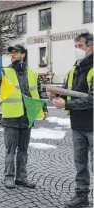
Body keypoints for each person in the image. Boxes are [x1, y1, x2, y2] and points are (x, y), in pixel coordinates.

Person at [0, 44, 48, 189]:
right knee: (10, 150)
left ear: (23, 55)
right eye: (12, 53)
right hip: (11, 118)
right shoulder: (5, 71)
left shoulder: (33, 74)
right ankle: (8, 177)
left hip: (27, 117)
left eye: (16, 52)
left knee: (23, 150)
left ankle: (21, 178)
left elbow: (38, 93)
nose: (13, 55)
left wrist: (44, 108)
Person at [48, 32, 93, 208]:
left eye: (80, 46)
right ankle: (81, 197)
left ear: (91, 47)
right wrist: (56, 92)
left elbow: (92, 98)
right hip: (78, 125)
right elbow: (69, 90)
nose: (77, 49)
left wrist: (65, 105)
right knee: (80, 163)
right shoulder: (75, 68)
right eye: (75, 46)